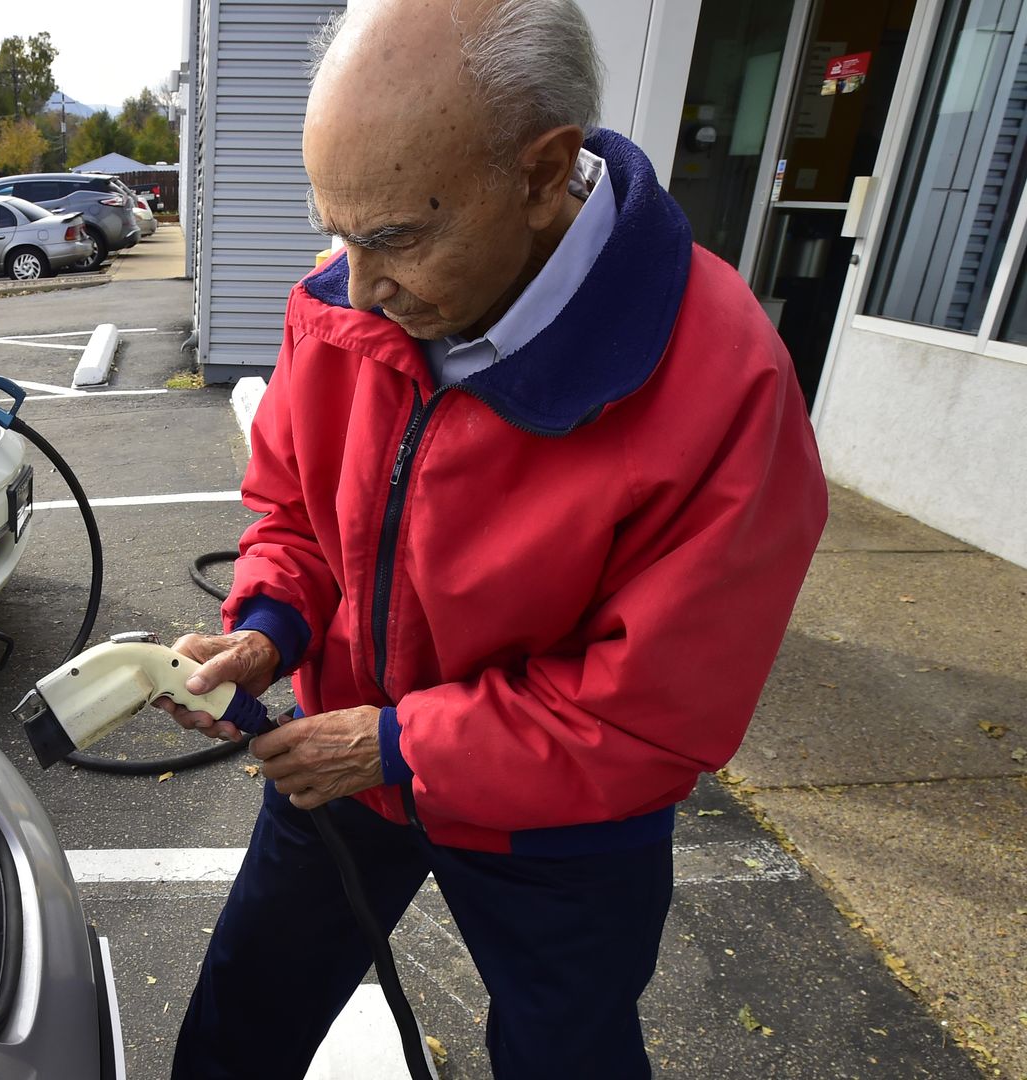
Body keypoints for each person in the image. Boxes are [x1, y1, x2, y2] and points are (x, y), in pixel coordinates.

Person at [156, 1, 828, 1077]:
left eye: (396, 240)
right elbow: (294, 509)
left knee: (568, 1056)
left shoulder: (727, 385)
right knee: (245, 1013)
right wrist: (271, 626)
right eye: (337, 232)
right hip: (350, 767)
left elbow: (649, 719)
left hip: (556, 825)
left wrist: (398, 742)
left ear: (542, 172)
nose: (358, 287)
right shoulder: (342, 301)